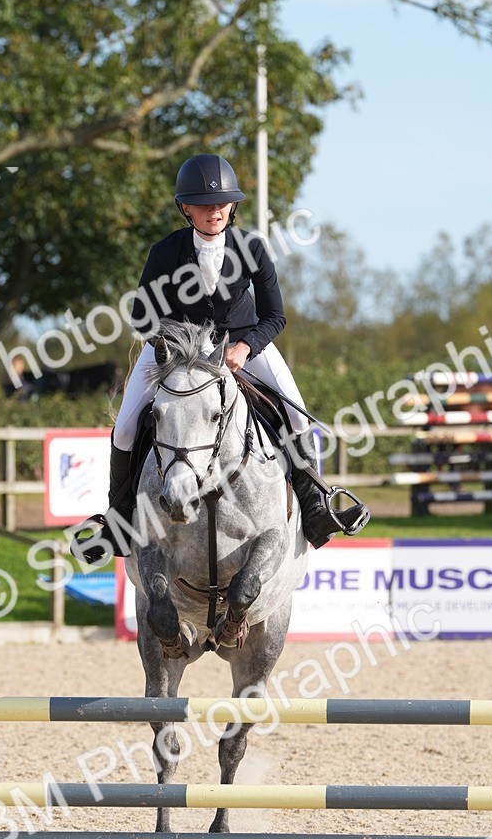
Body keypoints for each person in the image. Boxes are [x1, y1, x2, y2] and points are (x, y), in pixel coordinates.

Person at [76, 154, 369, 562]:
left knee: (298, 416)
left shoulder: (252, 248)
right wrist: (176, 350)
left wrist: (245, 348)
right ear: (186, 208)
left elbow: (275, 315)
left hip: (244, 345)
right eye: (203, 204)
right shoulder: (165, 252)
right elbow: (143, 316)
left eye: (221, 203)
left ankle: (316, 510)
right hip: (177, 352)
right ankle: (119, 523)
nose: (214, 211)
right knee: (125, 429)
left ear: (232, 206)